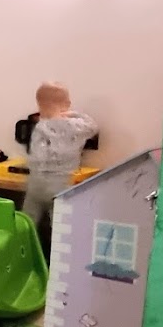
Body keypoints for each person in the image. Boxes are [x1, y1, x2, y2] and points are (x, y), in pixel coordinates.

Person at [24, 82, 98, 249]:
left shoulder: (40, 126)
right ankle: (58, 257)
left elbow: (36, 154)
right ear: (67, 104)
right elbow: (93, 126)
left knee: (29, 220)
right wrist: (72, 114)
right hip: (61, 181)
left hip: (37, 181)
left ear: (39, 105)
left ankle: (23, 251)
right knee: (60, 225)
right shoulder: (74, 126)